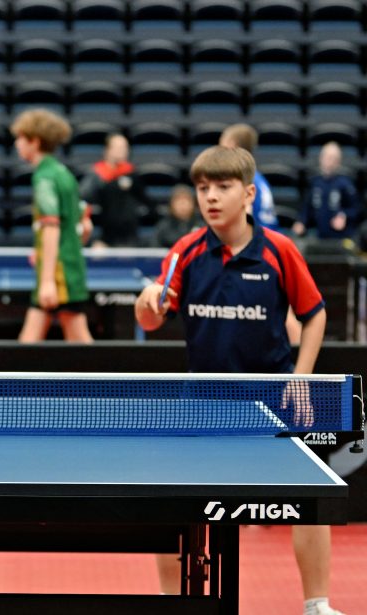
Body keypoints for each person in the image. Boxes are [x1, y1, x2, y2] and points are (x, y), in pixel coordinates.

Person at [134, 146, 341, 615]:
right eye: (203, 188)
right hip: (204, 400)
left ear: (248, 194)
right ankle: (170, 600)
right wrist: (146, 303)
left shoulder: (279, 250)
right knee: (167, 500)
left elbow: (314, 314)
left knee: (312, 498)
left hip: (271, 396)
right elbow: (152, 319)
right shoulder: (186, 251)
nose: (210, 197)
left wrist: (302, 378)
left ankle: (318, 604)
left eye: (223, 187)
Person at [10, 108, 93, 343]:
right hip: (67, 264)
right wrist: (65, 250)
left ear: (35, 142)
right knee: (31, 338)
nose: (16, 143)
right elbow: (85, 226)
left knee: (79, 340)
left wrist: (48, 280)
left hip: (58, 273)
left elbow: (51, 227)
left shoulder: (44, 178)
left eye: (21, 138)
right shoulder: (63, 173)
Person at [79, 133, 154, 247]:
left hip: (131, 239)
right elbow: (84, 200)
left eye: (125, 147)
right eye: (118, 147)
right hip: (105, 238)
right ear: (107, 150)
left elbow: (148, 203)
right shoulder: (97, 175)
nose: (122, 151)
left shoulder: (132, 174)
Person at [293, 142, 361, 240]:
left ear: (338, 161)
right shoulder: (315, 183)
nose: (329, 161)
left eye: (333, 158)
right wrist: (301, 222)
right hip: (320, 236)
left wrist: (344, 215)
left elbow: (356, 210)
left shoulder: (345, 184)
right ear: (320, 158)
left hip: (341, 237)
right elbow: (307, 208)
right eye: (326, 157)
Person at [219, 123, 279, 231]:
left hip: (257, 236)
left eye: (221, 144)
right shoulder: (257, 177)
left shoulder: (241, 180)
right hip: (268, 233)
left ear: (231, 145)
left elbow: (246, 220)